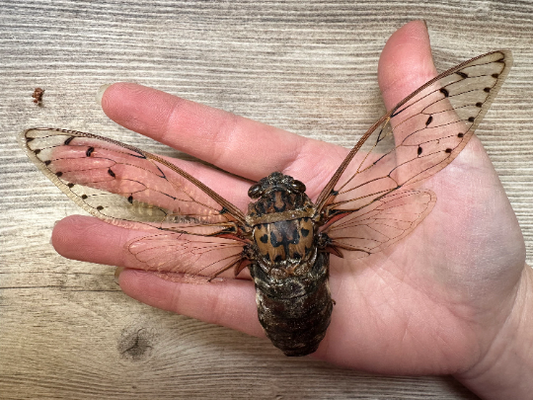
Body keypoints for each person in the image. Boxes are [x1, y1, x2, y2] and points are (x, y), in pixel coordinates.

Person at [51, 21, 532, 399]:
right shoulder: (324, 215)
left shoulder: (240, 229)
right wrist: (503, 329)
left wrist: (503, 329)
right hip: (312, 308)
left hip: (289, 311)